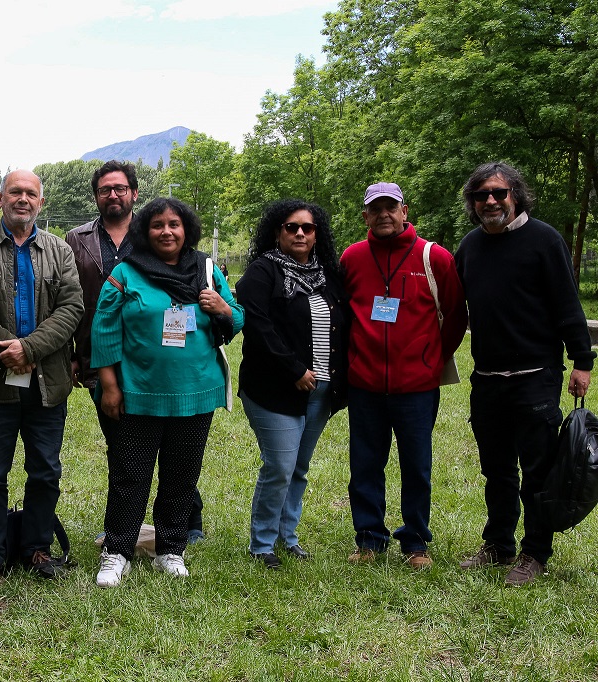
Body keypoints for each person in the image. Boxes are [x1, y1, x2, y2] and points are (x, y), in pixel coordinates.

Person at [91, 197, 243, 587]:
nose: (166, 231)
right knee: (130, 475)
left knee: (181, 475)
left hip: (195, 393)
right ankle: (118, 551)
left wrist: (221, 308)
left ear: (186, 229)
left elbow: (238, 317)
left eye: (174, 224)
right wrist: (110, 386)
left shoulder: (207, 270)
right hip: (139, 393)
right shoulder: (126, 273)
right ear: (146, 230)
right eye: (157, 224)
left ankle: (171, 548)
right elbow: (104, 329)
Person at [455, 161, 593, 586]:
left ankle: (535, 553)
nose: (490, 201)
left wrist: (583, 362)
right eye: (481, 196)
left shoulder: (545, 241)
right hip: (488, 379)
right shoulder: (470, 247)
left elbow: (568, 306)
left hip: (536, 377)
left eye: (498, 193)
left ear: (515, 194)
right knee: (496, 470)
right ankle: (498, 545)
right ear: (473, 203)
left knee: (536, 471)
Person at [0, 169, 83, 585]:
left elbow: (72, 307)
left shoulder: (60, 251)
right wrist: (8, 348)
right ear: (0, 197)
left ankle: (37, 549)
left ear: (40, 202)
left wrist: (30, 349)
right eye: (15, 192)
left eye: (31, 193)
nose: (23, 199)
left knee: (45, 470)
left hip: (49, 384)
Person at [67, 161, 206, 542]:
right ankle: (126, 525)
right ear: (96, 195)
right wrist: (75, 354)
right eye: (105, 189)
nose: (113, 194)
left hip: (156, 356)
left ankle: (184, 520)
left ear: (134, 193)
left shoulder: (152, 233)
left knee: (176, 440)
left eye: (120, 188)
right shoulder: (76, 239)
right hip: (101, 357)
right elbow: (68, 300)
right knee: (124, 445)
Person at [340, 182, 467, 569]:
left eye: (390, 207)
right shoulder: (352, 258)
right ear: (365, 216)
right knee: (364, 464)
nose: (383, 215)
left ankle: (415, 542)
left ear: (405, 211)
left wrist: (432, 360)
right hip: (364, 385)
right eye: (375, 209)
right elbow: (342, 315)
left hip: (417, 387)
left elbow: (456, 315)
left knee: (416, 465)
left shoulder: (435, 257)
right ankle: (370, 539)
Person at [235, 199, 349, 569]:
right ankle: (262, 543)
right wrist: (294, 370)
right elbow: (259, 327)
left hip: (321, 389)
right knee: (280, 466)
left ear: (317, 234)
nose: (300, 233)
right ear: (277, 232)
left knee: (299, 467)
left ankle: (289, 536)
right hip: (273, 389)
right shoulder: (262, 272)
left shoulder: (328, 275)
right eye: (291, 227)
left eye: (308, 227)